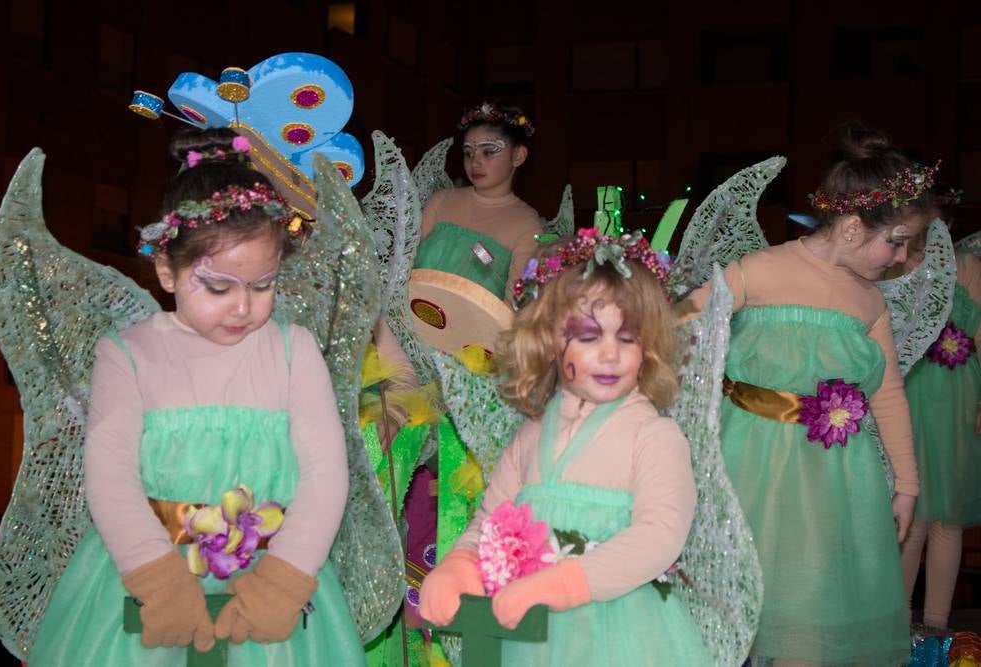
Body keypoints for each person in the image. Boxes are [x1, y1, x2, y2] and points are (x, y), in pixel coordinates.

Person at [27, 129, 365, 666]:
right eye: (217, 287)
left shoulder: (293, 350)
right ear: (167, 271)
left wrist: (285, 578)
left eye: (263, 285)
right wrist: (156, 577)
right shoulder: (127, 354)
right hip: (148, 579)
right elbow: (110, 476)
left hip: (269, 584)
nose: (242, 307)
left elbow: (326, 472)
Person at [680, 124, 931, 665]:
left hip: (834, 480)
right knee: (736, 591)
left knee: (812, 599)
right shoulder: (758, 271)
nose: (901, 257)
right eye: (896, 240)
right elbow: (683, 324)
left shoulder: (870, 304)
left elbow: (887, 395)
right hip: (746, 460)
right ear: (850, 227)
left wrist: (907, 484)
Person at [419, 230, 712, 665]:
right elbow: (491, 521)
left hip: (621, 634)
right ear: (551, 340)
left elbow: (660, 536)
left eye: (627, 338)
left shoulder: (653, 437)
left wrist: (563, 584)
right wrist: (461, 563)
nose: (611, 355)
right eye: (590, 336)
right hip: (532, 637)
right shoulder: (530, 438)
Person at [898, 190, 981, 633]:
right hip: (909, 395)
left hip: (956, 400)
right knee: (912, 515)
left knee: (947, 517)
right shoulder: (893, 269)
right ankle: (898, 620)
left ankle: (935, 623)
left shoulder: (968, 268)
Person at [414, 101, 542, 302]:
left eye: (488, 151)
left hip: (476, 332)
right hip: (411, 320)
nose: (475, 162)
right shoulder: (442, 200)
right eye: (468, 153)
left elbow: (515, 304)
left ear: (518, 155)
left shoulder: (526, 223)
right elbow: (403, 266)